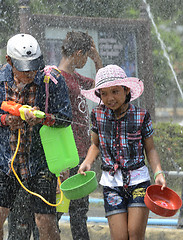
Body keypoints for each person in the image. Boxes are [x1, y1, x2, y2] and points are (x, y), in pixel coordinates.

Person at [78, 64, 166, 240]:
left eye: (115, 91)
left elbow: (151, 148)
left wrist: (158, 172)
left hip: (138, 181)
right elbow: (95, 145)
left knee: (134, 234)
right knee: (119, 237)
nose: (109, 98)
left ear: (126, 90)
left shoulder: (141, 115)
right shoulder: (97, 115)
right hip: (111, 184)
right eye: (104, 93)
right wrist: (87, 162)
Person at [0, 33, 72, 240]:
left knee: (46, 222)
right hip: (6, 162)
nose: (31, 73)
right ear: (9, 61)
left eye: (34, 66)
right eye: (24, 68)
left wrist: (42, 118)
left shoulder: (52, 81)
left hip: (40, 163)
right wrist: (6, 121)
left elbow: (66, 118)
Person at [57, 31, 102, 240]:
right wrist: (59, 163)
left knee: (79, 213)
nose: (86, 61)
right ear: (78, 52)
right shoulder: (54, 77)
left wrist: (97, 59)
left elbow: (102, 88)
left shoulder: (75, 77)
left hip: (81, 155)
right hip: (66, 157)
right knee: (55, 210)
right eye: (86, 56)